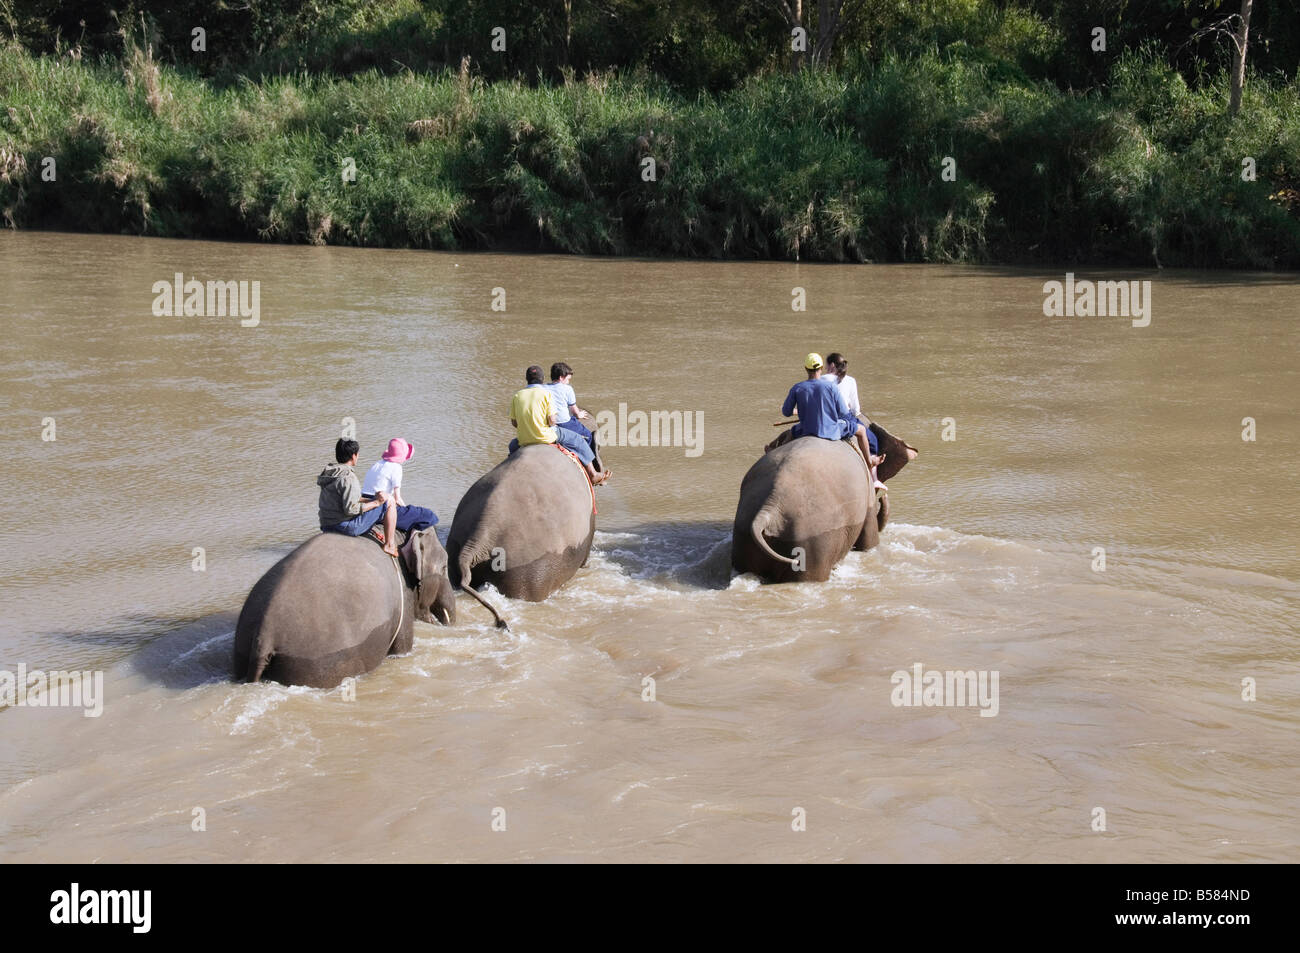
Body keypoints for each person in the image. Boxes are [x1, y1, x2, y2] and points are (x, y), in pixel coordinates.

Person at [780, 353, 885, 491]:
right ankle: (870, 461)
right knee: (861, 430)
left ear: (806, 368)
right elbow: (844, 413)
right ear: (821, 368)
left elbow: (786, 412)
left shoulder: (797, 388)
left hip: (806, 429)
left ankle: (778, 459)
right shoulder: (831, 387)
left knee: (791, 434)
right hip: (832, 430)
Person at [509, 365, 611, 485]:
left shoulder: (517, 395)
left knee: (512, 446)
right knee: (578, 439)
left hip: (523, 439)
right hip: (546, 436)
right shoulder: (545, 394)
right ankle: (593, 474)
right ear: (542, 379)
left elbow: (514, 423)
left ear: (527, 379)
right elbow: (552, 420)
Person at [361, 438, 438, 556]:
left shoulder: (377, 464)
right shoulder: (396, 467)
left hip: (366, 505)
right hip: (381, 507)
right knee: (429, 516)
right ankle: (408, 545)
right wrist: (407, 511)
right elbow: (397, 499)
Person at [318, 438, 396, 546]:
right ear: (354, 456)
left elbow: (348, 499)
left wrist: (372, 499)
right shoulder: (348, 477)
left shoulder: (330, 474)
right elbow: (351, 509)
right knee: (390, 500)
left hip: (326, 525)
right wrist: (377, 503)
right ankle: (390, 545)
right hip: (344, 527)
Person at [823, 351, 877, 458]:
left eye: (826, 365)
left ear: (832, 365)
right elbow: (855, 410)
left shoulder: (820, 379)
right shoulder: (850, 381)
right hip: (844, 417)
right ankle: (871, 463)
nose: (825, 368)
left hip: (822, 416)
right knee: (873, 441)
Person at [546, 361, 599, 466]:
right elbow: (574, 410)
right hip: (564, 423)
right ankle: (590, 465)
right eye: (568, 379)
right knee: (588, 436)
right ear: (561, 377)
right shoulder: (567, 389)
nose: (568, 382)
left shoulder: (543, 387)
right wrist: (579, 414)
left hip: (547, 424)